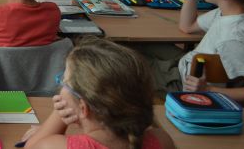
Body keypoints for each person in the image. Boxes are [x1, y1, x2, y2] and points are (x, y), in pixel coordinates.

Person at [24, 38, 176, 149]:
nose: (61, 84)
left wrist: (59, 115)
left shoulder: (55, 146)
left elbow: (31, 146)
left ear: (83, 108)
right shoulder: (162, 140)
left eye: (63, 80)